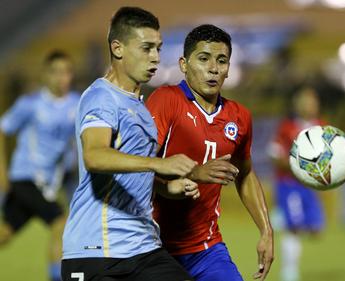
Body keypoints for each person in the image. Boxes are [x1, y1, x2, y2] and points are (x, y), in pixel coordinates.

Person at [61, 7, 199, 281]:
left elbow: (128, 173)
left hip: (144, 249)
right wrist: (159, 164)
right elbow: (95, 156)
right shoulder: (102, 98)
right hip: (96, 253)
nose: (156, 58)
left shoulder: (140, 107)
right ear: (118, 48)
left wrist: (165, 187)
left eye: (158, 49)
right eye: (146, 48)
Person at [146, 24, 274, 281]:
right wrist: (192, 174)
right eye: (203, 59)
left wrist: (266, 231)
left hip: (206, 249)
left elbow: (245, 174)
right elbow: (140, 168)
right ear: (184, 64)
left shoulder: (239, 118)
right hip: (152, 246)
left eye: (222, 60)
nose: (213, 68)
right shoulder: (166, 100)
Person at [0, 50, 80, 281]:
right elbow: (3, 129)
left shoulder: (77, 104)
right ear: (46, 74)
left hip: (47, 183)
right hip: (25, 177)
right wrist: (2, 172)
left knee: (5, 234)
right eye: (55, 72)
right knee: (60, 223)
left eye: (66, 72)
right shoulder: (31, 104)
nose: (61, 77)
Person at [268, 87, 325, 281]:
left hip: (309, 186)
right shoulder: (287, 127)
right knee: (294, 229)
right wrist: (298, 164)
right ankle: (289, 272)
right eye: (306, 101)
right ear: (297, 105)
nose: (310, 105)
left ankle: (279, 215)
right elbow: (275, 155)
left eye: (313, 101)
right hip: (289, 184)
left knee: (316, 230)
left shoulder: (321, 127)